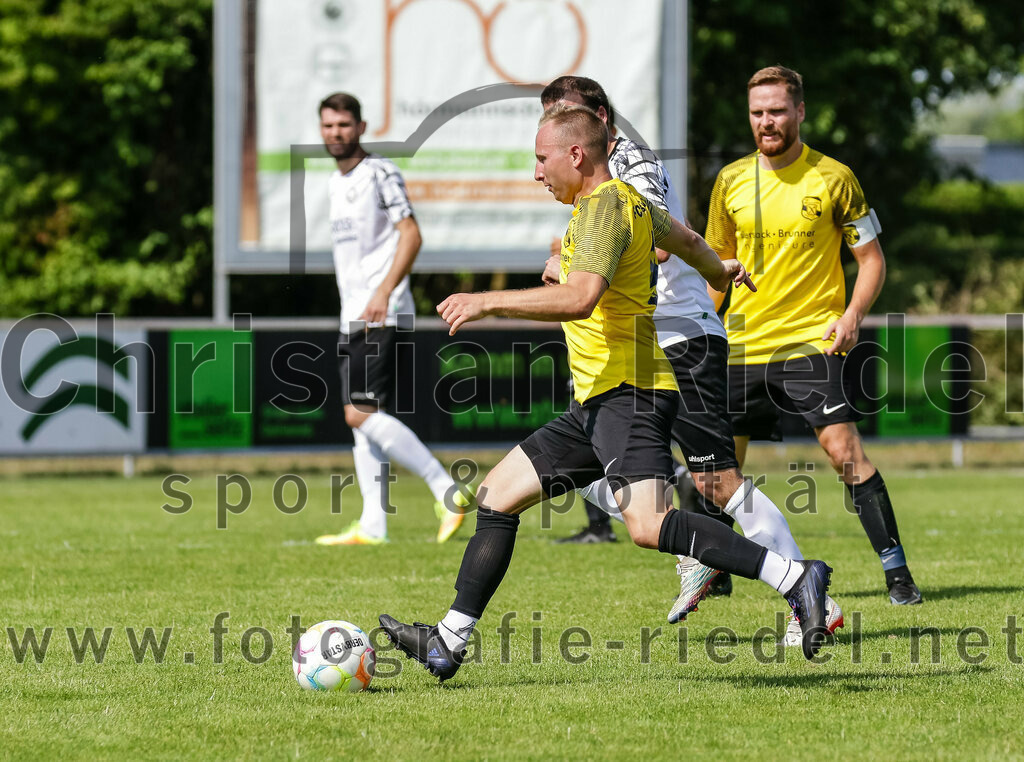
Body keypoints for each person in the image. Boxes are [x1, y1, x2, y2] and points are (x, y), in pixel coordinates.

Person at [379, 104, 835, 682]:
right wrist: (721, 273)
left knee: (648, 525)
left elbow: (580, 298)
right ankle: (447, 640)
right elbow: (689, 239)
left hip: (632, 392)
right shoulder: (628, 203)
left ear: (576, 155)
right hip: (596, 401)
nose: (536, 174)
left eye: (541, 159)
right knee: (495, 496)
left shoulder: (604, 209)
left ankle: (797, 578)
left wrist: (485, 301)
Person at [538, 76, 842, 643]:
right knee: (578, 471)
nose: (559, 137)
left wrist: (571, 265)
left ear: (599, 119)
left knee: (720, 482)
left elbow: (656, 240)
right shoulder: (587, 183)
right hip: (640, 345)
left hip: (680, 333)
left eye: (568, 119)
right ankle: (699, 547)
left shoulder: (632, 163)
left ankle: (808, 594)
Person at [702, 66, 922, 605]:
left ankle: (897, 574)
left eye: (776, 111)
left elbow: (871, 260)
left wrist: (851, 316)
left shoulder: (834, 177)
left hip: (809, 341)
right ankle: (716, 568)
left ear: (800, 112)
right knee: (714, 469)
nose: (766, 122)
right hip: (742, 344)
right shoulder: (730, 181)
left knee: (844, 451)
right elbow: (712, 269)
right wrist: (702, 337)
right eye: (757, 113)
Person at [312, 92, 469, 547]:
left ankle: (446, 490)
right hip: (354, 315)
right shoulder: (335, 182)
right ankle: (373, 524)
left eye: (343, 125)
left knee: (357, 413)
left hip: (380, 311)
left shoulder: (378, 173)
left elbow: (411, 233)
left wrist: (383, 291)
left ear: (360, 127)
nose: (335, 133)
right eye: (328, 126)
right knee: (364, 418)